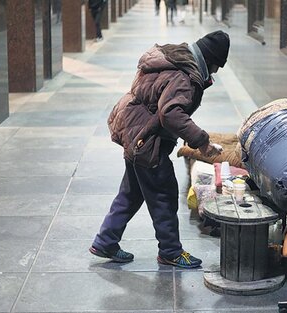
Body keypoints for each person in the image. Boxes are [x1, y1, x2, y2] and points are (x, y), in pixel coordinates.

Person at [89, 31, 231, 268]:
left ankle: (106, 240)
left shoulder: (175, 57)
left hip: (135, 132)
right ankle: (171, 251)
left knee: (131, 192)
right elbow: (170, 113)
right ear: (210, 59)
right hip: (147, 140)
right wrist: (201, 141)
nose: (215, 72)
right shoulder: (185, 76)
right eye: (217, 66)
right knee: (163, 195)